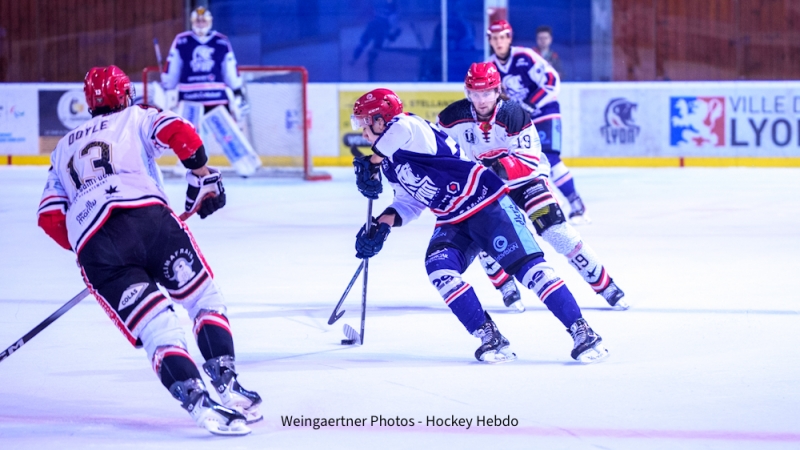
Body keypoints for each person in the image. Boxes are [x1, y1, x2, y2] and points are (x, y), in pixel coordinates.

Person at [36, 65, 261, 435]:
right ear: (125, 95)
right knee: (203, 300)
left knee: (158, 327)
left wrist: (92, 250)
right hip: (149, 221)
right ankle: (228, 384)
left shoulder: (61, 150)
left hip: (97, 250)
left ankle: (199, 403)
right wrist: (203, 174)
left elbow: (50, 219)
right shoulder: (137, 117)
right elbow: (181, 133)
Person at [349, 88, 609, 364]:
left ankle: (583, 332)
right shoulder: (389, 162)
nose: (363, 131)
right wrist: (381, 225)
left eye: (366, 122)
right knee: (439, 270)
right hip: (452, 218)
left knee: (530, 271)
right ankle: (490, 335)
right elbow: (409, 202)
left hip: (487, 202)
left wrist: (372, 161)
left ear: (382, 119)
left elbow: (400, 128)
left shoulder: (411, 128)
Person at [437, 62, 628, 312]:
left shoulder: (514, 114)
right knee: (483, 235)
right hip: (486, 188)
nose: (481, 100)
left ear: (497, 91)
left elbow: (528, 160)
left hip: (525, 182)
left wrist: (493, 170)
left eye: (486, 93)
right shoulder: (451, 118)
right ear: (467, 93)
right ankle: (505, 285)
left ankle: (605, 285)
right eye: (475, 93)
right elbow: (437, 153)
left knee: (555, 230)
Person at [486, 20, 589, 224]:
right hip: (521, 119)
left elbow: (552, 81)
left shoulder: (525, 57)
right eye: (494, 38)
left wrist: (530, 103)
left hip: (545, 111)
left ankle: (577, 205)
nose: (499, 42)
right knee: (515, 161)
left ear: (509, 38)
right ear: (490, 40)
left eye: (502, 37)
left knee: (549, 158)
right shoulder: (490, 66)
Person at [161, 6, 247, 117]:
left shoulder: (221, 41)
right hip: (189, 101)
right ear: (192, 21)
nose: (200, 23)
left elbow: (230, 70)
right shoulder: (181, 40)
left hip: (217, 101)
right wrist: (167, 86)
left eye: (203, 20)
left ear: (210, 21)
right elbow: (172, 68)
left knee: (220, 134)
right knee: (190, 134)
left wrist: (237, 90)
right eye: (197, 20)